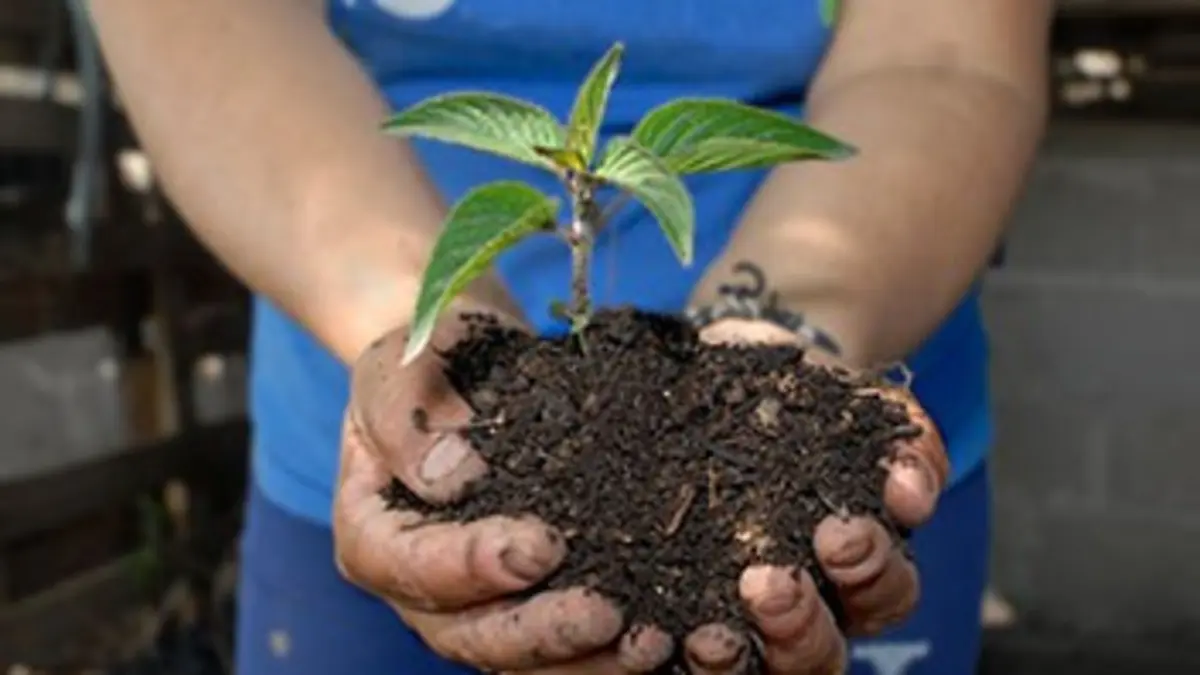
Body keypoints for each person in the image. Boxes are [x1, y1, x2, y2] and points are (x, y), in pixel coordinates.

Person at [87, 0, 1051, 673]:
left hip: (866, 355)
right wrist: (420, 332)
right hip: (373, 435)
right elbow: (203, 20)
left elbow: (946, 51)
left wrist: (788, 335)